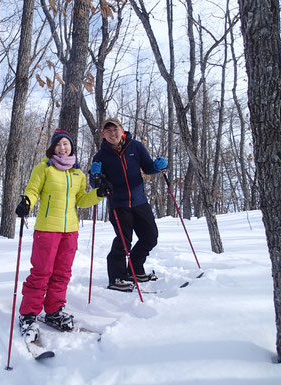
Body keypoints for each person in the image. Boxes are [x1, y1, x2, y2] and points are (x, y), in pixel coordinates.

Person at [15, 129, 106, 340]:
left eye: (66, 144)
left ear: (71, 146)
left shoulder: (78, 174)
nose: (63, 148)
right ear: (53, 147)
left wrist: (98, 194)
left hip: (70, 231)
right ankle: (28, 314)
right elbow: (33, 190)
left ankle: (54, 312)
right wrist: (27, 202)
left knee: (62, 273)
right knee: (41, 272)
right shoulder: (44, 168)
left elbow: (82, 200)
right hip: (47, 229)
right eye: (59, 144)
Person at [90, 117, 167, 292]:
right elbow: (95, 184)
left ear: (122, 130)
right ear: (103, 134)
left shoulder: (136, 147)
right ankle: (117, 277)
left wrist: (158, 166)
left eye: (115, 129)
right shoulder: (101, 155)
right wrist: (95, 176)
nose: (112, 133)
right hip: (119, 204)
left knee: (150, 237)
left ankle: (134, 269)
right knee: (124, 242)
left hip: (139, 201)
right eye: (108, 131)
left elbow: (148, 167)